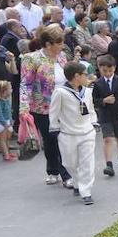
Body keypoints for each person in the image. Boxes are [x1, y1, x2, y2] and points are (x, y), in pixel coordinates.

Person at [20, 26, 73, 187]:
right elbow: (26, 83)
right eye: (59, 43)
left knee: (61, 139)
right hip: (42, 106)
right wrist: (24, 106)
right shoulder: (32, 58)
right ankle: (57, 172)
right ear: (48, 44)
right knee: (51, 140)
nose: (62, 46)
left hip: (64, 104)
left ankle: (60, 171)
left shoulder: (62, 56)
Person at [49, 61, 98, 205]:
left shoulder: (87, 91)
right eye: (85, 74)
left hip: (87, 132)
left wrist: (94, 122)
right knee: (69, 163)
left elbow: (91, 109)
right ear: (76, 76)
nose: (87, 77)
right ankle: (77, 182)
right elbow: (54, 112)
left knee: (87, 163)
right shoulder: (60, 92)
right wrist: (54, 128)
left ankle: (86, 191)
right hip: (67, 133)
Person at [92, 55, 118, 177]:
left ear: (114, 68)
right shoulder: (98, 83)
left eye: (110, 71)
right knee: (107, 139)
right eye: (104, 71)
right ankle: (109, 165)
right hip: (105, 115)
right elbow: (94, 100)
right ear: (100, 69)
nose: (107, 73)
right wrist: (103, 101)